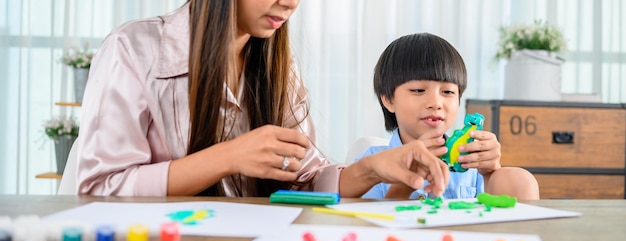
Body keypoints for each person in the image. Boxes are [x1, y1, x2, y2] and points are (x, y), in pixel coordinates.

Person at [76, 0, 449, 198]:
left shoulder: (279, 69)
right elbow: (99, 188)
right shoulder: (133, 49)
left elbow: (305, 178)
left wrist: (372, 168)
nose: (290, 3)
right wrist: (231, 156)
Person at [356, 33, 540, 200]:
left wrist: (491, 173)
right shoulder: (371, 163)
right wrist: (409, 177)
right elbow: (367, 226)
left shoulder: (470, 162)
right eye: (418, 90)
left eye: (448, 92)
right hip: (399, 237)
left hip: (462, 237)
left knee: (520, 179)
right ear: (388, 100)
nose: (436, 103)